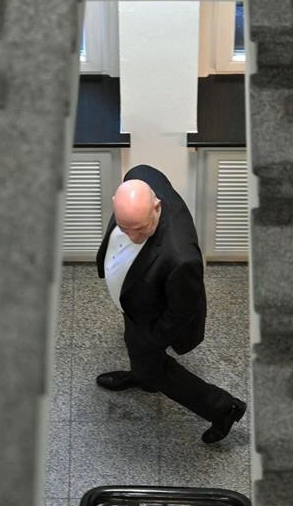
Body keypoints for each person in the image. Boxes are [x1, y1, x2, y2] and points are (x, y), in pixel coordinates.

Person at [95, 164, 247, 443]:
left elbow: (181, 311)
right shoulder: (140, 176)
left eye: (140, 229)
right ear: (116, 202)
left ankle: (224, 407)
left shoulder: (180, 257)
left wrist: (153, 340)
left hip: (153, 318)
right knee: (137, 349)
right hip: (137, 300)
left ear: (157, 205)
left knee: (154, 365)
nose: (133, 237)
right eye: (125, 228)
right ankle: (142, 376)